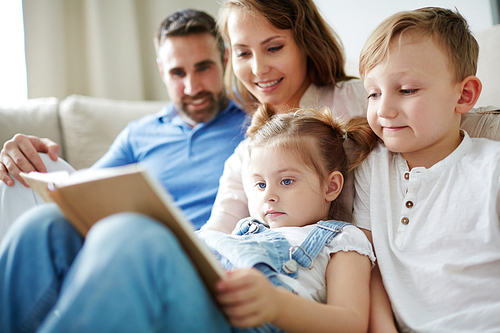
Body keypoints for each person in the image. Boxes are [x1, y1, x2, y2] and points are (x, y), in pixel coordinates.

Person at [0, 105, 377, 332]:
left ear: (331, 186)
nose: (269, 195)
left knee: (131, 235)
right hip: (197, 290)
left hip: (252, 323)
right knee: (45, 226)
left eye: (287, 181)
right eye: (259, 184)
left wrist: (278, 306)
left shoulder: (340, 239)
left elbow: (351, 322)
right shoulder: (244, 230)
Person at [0, 9, 248, 234]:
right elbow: (78, 189)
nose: (192, 87)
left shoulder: (255, 122)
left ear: (225, 60)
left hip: (213, 253)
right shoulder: (140, 134)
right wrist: (33, 155)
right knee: (35, 193)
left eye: (203, 68)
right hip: (140, 246)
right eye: (178, 73)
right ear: (162, 72)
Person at [353, 7, 500, 332]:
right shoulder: (371, 168)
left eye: (406, 90)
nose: (384, 109)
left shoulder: (492, 168)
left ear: (463, 95)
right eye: (373, 93)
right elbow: (366, 264)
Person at [203, 0, 369, 233]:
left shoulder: (365, 100)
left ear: (306, 41)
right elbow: (216, 232)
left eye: (273, 48)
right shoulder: (244, 154)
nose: (258, 69)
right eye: (243, 53)